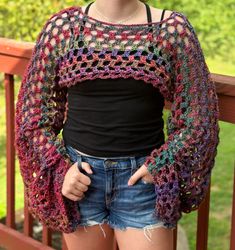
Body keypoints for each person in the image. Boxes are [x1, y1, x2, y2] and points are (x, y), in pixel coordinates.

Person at [15, 0, 220, 250]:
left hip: (142, 183)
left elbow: (199, 117)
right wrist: (60, 171)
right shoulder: (64, 28)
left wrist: (165, 163)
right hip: (81, 180)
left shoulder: (170, 29)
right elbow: (32, 116)